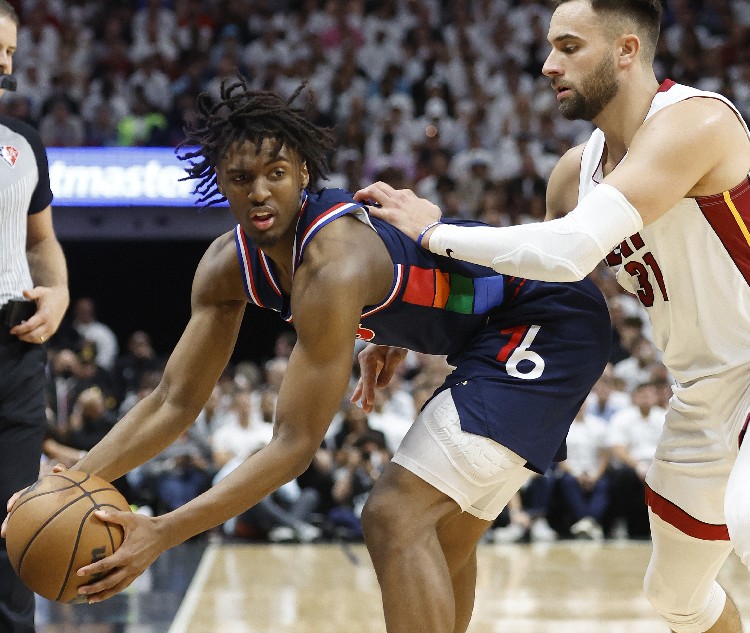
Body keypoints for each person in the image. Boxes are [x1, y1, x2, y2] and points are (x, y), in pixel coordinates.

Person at [3, 77, 611, 633]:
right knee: (442, 543)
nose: (260, 192)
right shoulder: (224, 265)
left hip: (547, 319)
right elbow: (175, 399)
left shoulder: (331, 263)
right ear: (219, 182)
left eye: (276, 173)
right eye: (241, 179)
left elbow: (294, 445)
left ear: (302, 174)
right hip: (488, 331)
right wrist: (73, 481)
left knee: (395, 517)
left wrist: (161, 532)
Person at [356, 1, 750, 631]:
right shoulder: (574, 176)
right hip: (699, 395)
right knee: (675, 598)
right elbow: (525, 284)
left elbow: (568, 253)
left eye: (569, 47)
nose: (548, 65)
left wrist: (435, 234)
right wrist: (411, 324)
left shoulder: (696, 122)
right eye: (549, 48)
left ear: (627, 51)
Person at [0, 3, 70, 633]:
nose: (4, 62)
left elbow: (42, 242)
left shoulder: (23, 142)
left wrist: (58, 291)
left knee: (14, 520)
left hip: (16, 344)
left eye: (12, 52)